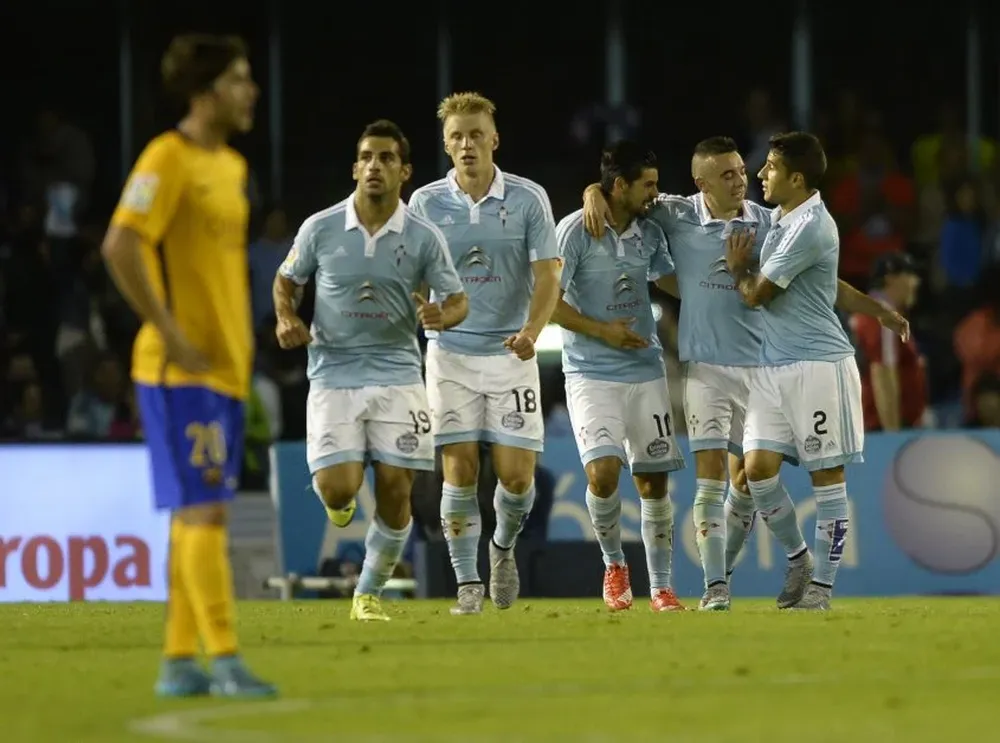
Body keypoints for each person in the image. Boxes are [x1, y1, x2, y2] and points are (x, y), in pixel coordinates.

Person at [582, 137, 907, 610]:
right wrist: (593, 190)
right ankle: (717, 587)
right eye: (729, 174)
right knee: (712, 477)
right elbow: (626, 194)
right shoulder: (677, 213)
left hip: (762, 365)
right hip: (705, 368)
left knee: (750, 481)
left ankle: (797, 566)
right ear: (702, 183)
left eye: (744, 170)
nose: (743, 180)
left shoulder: (767, 220)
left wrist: (876, 309)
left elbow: (808, 276)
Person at [101, 34, 275, 697]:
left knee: (196, 514)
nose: (250, 90)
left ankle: (179, 661)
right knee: (205, 514)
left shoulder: (229, 167)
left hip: (224, 369)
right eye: (238, 79)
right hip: (181, 372)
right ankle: (225, 656)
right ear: (204, 93)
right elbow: (121, 243)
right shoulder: (166, 158)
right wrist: (168, 331)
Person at [272, 119, 468, 622]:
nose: (374, 166)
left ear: (405, 171)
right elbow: (286, 280)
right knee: (339, 489)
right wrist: (287, 316)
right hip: (334, 375)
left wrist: (439, 316)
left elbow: (458, 300)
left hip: (399, 376)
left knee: (397, 489)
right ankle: (336, 504)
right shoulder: (320, 227)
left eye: (385, 158)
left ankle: (367, 594)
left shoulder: (423, 237)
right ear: (355, 168)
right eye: (366, 157)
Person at [725, 131, 892, 610]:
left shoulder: (811, 226)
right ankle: (798, 557)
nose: (760, 175)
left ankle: (820, 591)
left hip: (819, 367)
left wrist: (738, 269)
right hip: (772, 368)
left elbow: (757, 294)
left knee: (827, 478)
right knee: (755, 472)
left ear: (797, 178)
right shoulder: (783, 219)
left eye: (771, 168)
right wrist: (877, 309)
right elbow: (828, 280)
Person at [408, 92, 561, 615]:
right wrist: (423, 310)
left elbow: (548, 275)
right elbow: (409, 273)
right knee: (460, 469)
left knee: (518, 478)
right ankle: (467, 583)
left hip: (510, 354)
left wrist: (532, 331)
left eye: (476, 134)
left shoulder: (528, 198)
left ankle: (502, 549)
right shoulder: (426, 203)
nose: (467, 144)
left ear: (495, 139)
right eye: (457, 136)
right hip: (449, 354)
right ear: (446, 144)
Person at [553, 141, 686, 612]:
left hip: (645, 368)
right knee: (603, 473)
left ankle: (662, 587)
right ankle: (614, 565)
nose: (655, 192)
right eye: (647, 184)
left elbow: (666, 278)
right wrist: (602, 332)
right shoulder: (573, 230)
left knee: (653, 483)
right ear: (619, 186)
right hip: (591, 371)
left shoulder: (649, 232)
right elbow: (548, 302)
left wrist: (713, 288)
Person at [850, 252, 927, 431]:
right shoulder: (883, 317)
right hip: (878, 427)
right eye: (911, 276)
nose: (916, 282)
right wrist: (892, 437)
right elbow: (882, 374)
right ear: (891, 278)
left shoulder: (867, 313)